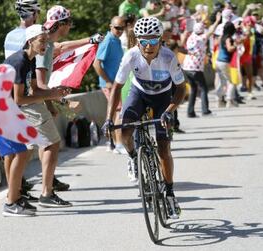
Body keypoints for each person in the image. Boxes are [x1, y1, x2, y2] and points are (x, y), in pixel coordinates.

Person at [102, 17, 186, 219]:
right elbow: (117, 88)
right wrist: (108, 118)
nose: (148, 46)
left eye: (153, 41)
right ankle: (132, 158)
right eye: (144, 41)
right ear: (137, 41)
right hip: (138, 94)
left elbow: (181, 89)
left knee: (164, 148)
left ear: (160, 40)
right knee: (124, 132)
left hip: (162, 99)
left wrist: (170, 110)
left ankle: (170, 193)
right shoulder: (131, 56)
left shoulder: (168, 57)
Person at [33, 5, 103, 207]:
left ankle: (45, 182)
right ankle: (45, 193)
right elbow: (41, 83)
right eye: (69, 23)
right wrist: (63, 102)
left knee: (43, 143)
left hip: (30, 98)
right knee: (51, 143)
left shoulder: (43, 37)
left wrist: (50, 104)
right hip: (28, 100)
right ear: (61, 24)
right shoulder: (45, 44)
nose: (71, 26)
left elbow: (62, 47)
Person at [1, 24, 67, 216]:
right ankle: (12, 201)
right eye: (42, 40)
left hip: (9, 110)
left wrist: (54, 94)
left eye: (46, 40)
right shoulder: (20, 61)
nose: (45, 44)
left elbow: (32, 91)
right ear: (30, 41)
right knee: (21, 153)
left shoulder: (29, 59)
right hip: (1, 110)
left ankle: (15, 198)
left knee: (20, 154)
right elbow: (20, 98)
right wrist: (50, 96)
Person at [93, 16, 126, 154]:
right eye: (117, 28)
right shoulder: (108, 41)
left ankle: (111, 143)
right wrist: (107, 81)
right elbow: (96, 63)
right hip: (111, 84)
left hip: (116, 83)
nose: (119, 31)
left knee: (113, 113)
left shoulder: (116, 40)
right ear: (110, 26)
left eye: (122, 28)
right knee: (119, 111)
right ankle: (118, 144)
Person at [182, 13, 221, 117]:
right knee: (204, 88)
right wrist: (217, 20)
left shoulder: (191, 36)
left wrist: (200, 20)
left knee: (194, 89)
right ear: (202, 31)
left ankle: (190, 112)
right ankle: (205, 111)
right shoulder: (200, 38)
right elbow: (211, 31)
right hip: (195, 68)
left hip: (186, 68)